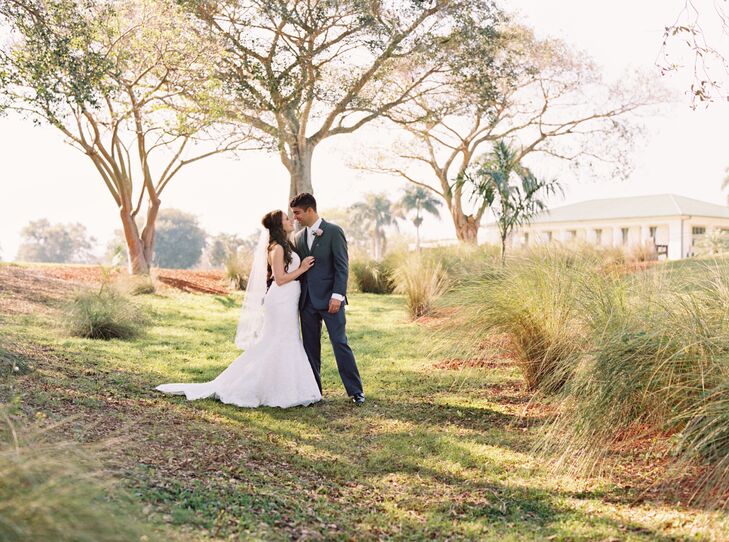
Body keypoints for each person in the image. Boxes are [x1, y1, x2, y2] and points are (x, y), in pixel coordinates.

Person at [155, 210, 322, 408]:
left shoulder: (287, 245)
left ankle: (289, 387)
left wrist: (316, 235)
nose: (291, 220)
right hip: (280, 300)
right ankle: (257, 386)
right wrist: (302, 268)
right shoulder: (276, 249)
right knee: (277, 340)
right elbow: (279, 279)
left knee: (288, 339)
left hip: (289, 299)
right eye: (287, 218)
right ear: (279, 224)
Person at [290, 192, 365, 405]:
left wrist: (337, 296)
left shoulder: (333, 232)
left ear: (310, 210)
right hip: (307, 303)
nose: (295, 217)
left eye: (297, 213)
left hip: (331, 300)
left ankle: (355, 391)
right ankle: (314, 392)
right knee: (310, 348)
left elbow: (342, 266)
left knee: (340, 343)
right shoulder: (298, 238)